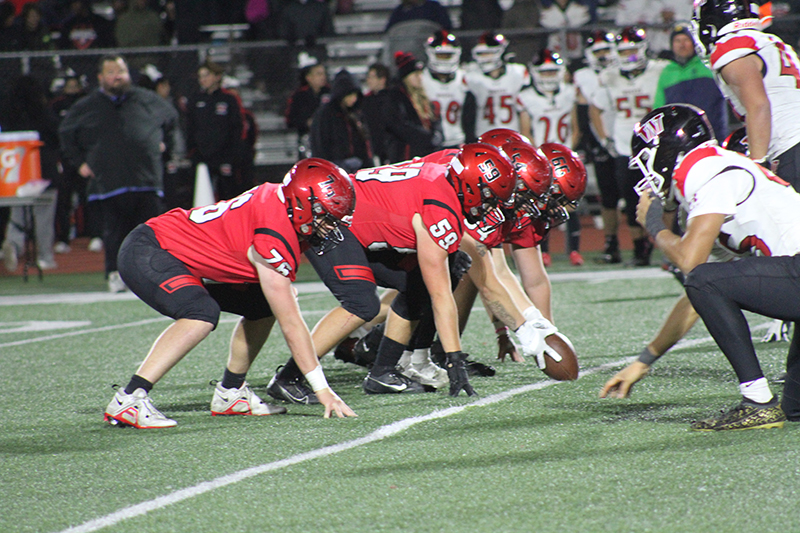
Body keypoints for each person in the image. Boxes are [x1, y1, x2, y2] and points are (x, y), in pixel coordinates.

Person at [103, 158, 358, 428]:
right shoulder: (274, 233)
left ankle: (231, 392)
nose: (330, 227)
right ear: (304, 204)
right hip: (152, 250)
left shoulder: (279, 199)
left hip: (180, 257)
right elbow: (292, 324)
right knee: (201, 313)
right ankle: (130, 398)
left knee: (265, 305)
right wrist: (322, 389)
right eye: (325, 217)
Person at [266, 143, 516, 402]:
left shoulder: (445, 178)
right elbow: (440, 296)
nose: (491, 206)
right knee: (361, 304)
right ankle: (288, 377)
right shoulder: (440, 207)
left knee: (438, 273)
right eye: (489, 196)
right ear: (471, 186)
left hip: (364, 225)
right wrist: (454, 359)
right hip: (335, 221)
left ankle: (382, 372)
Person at [619, 104, 800, 431]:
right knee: (797, 406)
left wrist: (654, 225)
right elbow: (698, 297)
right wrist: (644, 362)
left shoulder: (702, 169)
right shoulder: (711, 175)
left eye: (647, 161)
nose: (647, 177)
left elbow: (693, 268)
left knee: (703, 279)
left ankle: (757, 401)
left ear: (665, 153)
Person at [59, 55, 179, 293]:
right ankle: (115, 274)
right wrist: (79, 163)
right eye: (112, 71)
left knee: (151, 231)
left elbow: (171, 121)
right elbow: (65, 134)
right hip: (109, 182)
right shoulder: (86, 106)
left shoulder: (146, 99)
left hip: (145, 179)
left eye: (121, 71)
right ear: (101, 78)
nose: (117, 76)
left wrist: (166, 147)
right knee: (114, 232)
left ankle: (153, 275)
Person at [693, 0, 800, 190]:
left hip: (791, 146)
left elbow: (758, 105)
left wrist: (758, 166)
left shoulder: (731, 46)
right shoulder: (772, 42)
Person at [590, 26, 667, 267]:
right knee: (631, 200)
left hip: (658, 144)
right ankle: (639, 248)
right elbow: (595, 108)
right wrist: (605, 138)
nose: (628, 56)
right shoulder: (609, 75)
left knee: (668, 197)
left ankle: (669, 244)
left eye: (632, 50)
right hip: (626, 146)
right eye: (623, 52)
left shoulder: (660, 70)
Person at [518, 49, 582, 266]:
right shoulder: (526, 97)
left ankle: (574, 250)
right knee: (541, 205)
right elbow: (526, 131)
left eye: (552, 72)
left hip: (564, 157)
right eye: (544, 73)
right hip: (541, 159)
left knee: (570, 204)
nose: (549, 77)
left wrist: (567, 154)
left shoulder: (569, 92)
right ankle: (544, 251)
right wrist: (539, 158)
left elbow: (576, 128)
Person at [0, 76, 60, 272]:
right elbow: (55, 136)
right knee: (43, 217)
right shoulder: (44, 113)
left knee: (17, 214)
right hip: (44, 172)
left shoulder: (9, 115)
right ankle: (45, 257)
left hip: (17, 172)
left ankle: (14, 246)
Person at [573, 30, 618, 262]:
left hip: (627, 137)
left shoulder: (624, 70)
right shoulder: (583, 76)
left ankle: (646, 243)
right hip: (601, 140)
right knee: (608, 196)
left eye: (606, 50)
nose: (602, 56)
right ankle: (611, 244)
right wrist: (588, 141)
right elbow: (581, 111)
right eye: (597, 51)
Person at [653, 22, 728, 142]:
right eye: (677, 41)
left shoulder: (708, 65)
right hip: (680, 142)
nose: (682, 45)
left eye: (686, 40)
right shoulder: (666, 72)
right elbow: (659, 107)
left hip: (714, 137)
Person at [185, 59, 246, 202]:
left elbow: (237, 128)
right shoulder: (195, 100)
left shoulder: (229, 100)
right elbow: (190, 127)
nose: (203, 80)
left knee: (228, 195)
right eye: (200, 76)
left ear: (217, 77)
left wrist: (232, 154)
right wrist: (193, 152)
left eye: (206, 75)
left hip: (225, 157)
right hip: (202, 156)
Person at [463, 31, 530, 141]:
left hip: (512, 134)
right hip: (483, 135)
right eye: (482, 54)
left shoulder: (517, 72)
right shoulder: (472, 76)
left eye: (489, 53)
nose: (485, 57)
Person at [383, 51, 442, 163]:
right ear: (406, 77)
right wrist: (427, 137)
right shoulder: (396, 96)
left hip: (427, 154)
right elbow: (399, 125)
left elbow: (435, 118)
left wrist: (438, 133)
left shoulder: (424, 96)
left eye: (420, 74)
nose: (419, 78)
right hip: (406, 156)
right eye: (415, 75)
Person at [309, 69, 371, 174]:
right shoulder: (325, 114)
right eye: (350, 95)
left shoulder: (355, 114)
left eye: (355, 95)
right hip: (334, 169)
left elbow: (364, 142)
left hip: (356, 169)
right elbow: (319, 143)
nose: (354, 99)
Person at [421, 30, 468, 149]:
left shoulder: (465, 77)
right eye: (440, 55)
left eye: (447, 55)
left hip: (459, 141)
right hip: (431, 143)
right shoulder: (422, 79)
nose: (443, 59)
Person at [284, 53, 329, 159]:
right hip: (308, 141)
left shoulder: (330, 93)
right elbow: (290, 119)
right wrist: (306, 123)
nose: (323, 77)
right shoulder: (298, 96)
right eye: (319, 74)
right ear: (308, 77)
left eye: (323, 73)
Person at [360, 62, 391, 164]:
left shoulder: (393, 99)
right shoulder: (366, 101)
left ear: (382, 80)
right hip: (376, 149)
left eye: (371, 77)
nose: (368, 80)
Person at [385, 0, 452, 31]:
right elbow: (390, 31)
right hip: (405, 50)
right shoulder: (399, 11)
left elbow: (446, 27)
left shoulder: (435, 7)